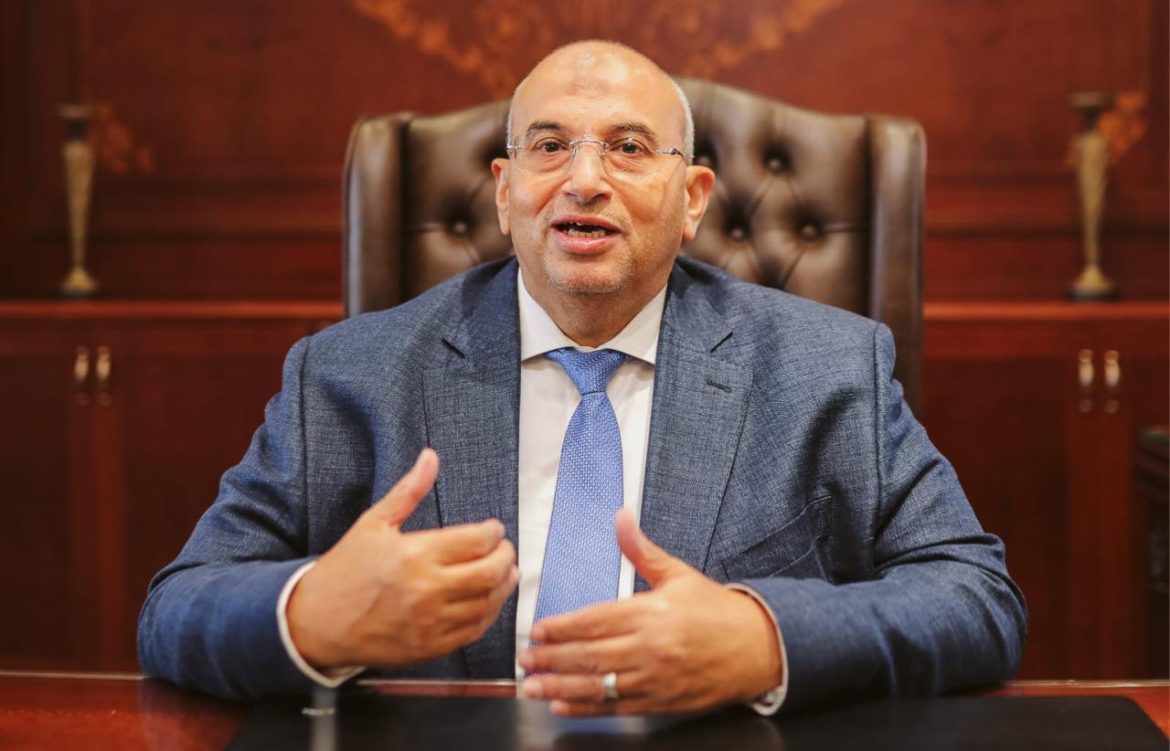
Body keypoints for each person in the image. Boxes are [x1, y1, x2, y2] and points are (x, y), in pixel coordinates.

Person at [138, 40, 1026, 715]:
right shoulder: (347, 375)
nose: (585, 180)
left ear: (693, 200)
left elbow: (976, 598)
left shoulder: (828, 369)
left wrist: (765, 637)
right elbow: (176, 607)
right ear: (504, 191)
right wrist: (307, 616)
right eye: (550, 146)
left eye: (629, 147)